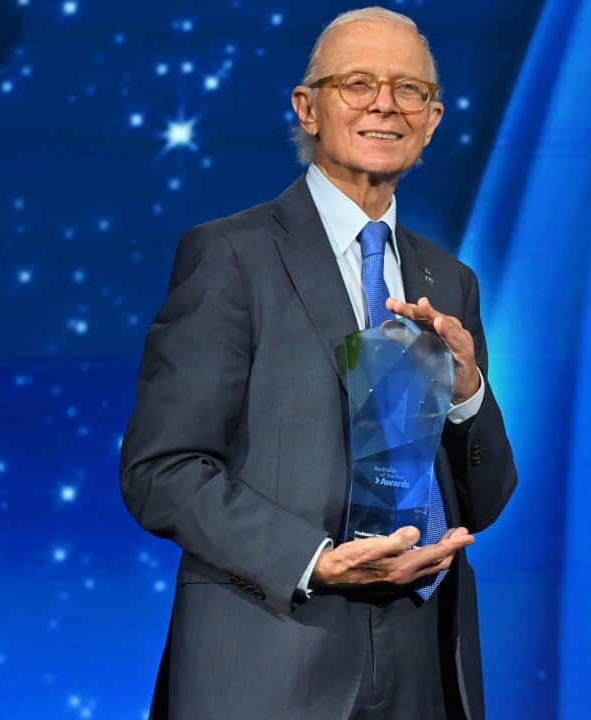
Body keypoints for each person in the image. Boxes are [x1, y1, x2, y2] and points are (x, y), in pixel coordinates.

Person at [118, 7, 517, 719]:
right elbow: (162, 471)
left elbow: (482, 500)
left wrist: (467, 395)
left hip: (423, 670)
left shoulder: (449, 282)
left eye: (409, 90)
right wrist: (314, 559)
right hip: (269, 667)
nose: (384, 105)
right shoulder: (232, 257)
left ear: (432, 120)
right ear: (308, 108)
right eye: (358, 83)